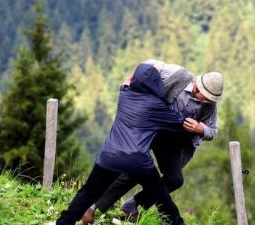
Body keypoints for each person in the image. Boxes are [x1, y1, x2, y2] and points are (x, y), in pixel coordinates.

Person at [81, 60, 224, 224]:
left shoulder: (210, 104)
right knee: (131, 170)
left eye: (211, 101)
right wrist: (128, 84)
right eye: (206, 98)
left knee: (175, 179)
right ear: (198, 87)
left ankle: (133, 204)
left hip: (173, 141)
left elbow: (212, 131)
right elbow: (147, 68)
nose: (208, 103)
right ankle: (93, 207)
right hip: (150, 127)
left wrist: (200, 129)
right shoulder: (179, 76)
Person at [57, 63, 186, 225]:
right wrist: (201, 128)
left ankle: (64, 222)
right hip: (137, 161)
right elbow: (181, 122)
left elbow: (128, 80)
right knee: (161, 196)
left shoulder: (125, 93)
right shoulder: (157, 107)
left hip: (109, 157)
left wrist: (145, 71)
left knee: (89, 191)